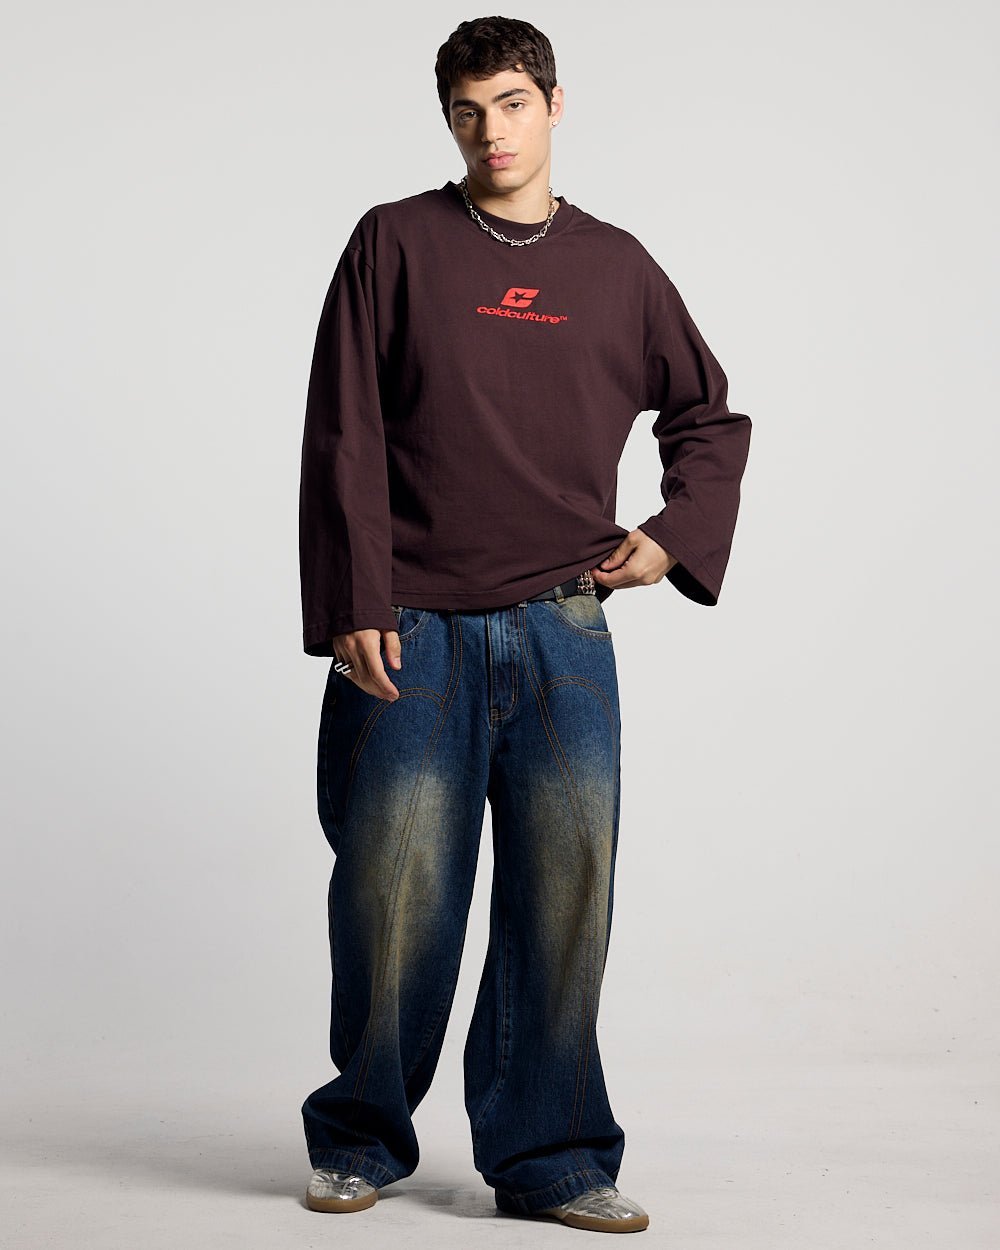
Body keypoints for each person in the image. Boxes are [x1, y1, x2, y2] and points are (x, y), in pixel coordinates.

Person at [296, 15, 751, 1234]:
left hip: (562, 627)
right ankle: (361, 1136)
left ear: (553, 105)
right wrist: (351, 600)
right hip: (410, 625)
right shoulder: (394, 242)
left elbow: (707, 417)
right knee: (392, 893)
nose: (489, 131)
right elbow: (344, 430)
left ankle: (550, 1156)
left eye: (508, 103)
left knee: (564, 898)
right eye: (465, 111)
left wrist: (674, 532)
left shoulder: (617, 266)